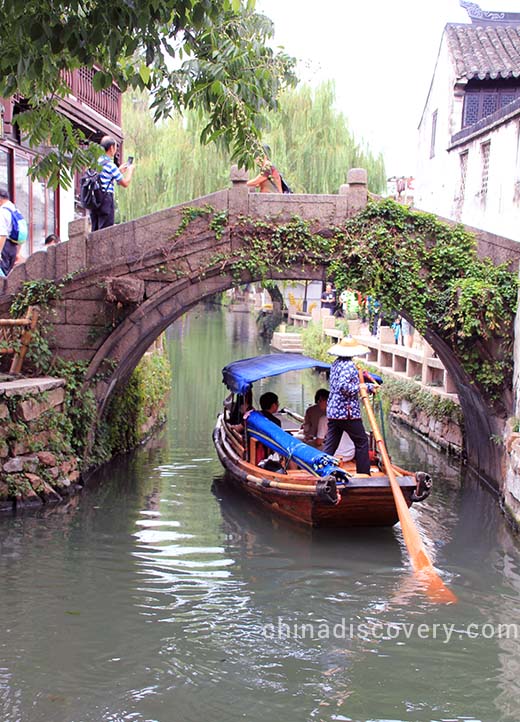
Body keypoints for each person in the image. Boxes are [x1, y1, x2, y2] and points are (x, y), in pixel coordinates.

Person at [322, 337, 376, 475]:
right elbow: (344, 387)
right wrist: (366, 386)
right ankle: (364, 473)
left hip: (334, 411)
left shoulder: (335, 364)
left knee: (331, 444)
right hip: (346, 412)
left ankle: (321, 470)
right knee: (362, 441)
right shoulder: (349, 365)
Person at [90, 135, 135, 231]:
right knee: (106, 231)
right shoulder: (110, 165)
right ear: (111, 148)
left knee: (95, 231)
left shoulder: (96, 163)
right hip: (105, 199)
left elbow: (104, 178)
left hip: (94, 200)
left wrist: (118, 171)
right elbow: (125, 183)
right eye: (115, 147)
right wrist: (130, 170)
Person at [0, 188, 26, 277]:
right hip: (13, 248)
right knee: (7, 276)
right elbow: (22, 234)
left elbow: (2, 234)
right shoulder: (15, 210)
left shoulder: (2, 211)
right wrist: (17, 252)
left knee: (2, 278)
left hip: (4, 247)